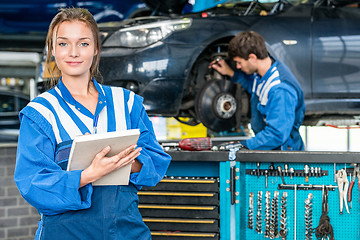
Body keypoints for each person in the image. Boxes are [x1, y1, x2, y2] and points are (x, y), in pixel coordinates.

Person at [14, 8, 171, 239]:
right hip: (66, 233)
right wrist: (88, 174)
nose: (74, 53)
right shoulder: (41, 113)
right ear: (53, 50)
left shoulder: (126, 103)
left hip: (126, 231)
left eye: (84, 43)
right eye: (64, 44)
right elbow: (32, 183)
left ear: (96, 48)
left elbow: (156, 162)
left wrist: (122, 162)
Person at [210, 31, 305, 150]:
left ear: (252, 58)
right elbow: (253, 86)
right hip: (269, 149)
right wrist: (231, 73)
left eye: (239, 62)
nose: (238, 67)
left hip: (284, 154)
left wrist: (245, 145)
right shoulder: (262, 73)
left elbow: (276, 135)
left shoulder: (280, 90)